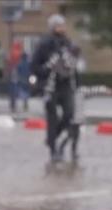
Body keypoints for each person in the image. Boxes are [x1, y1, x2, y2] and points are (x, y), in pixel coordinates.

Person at [31, 14, 80, 162]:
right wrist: (48, 70)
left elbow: (73, 63)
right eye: (58, 26)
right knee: (52, 118)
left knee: (69, 114)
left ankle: (53, 137)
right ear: (53, 27)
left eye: (63, 25)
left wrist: (76, 81)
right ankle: (53, 150)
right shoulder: (44, 44)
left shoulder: (68, 43)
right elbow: (34, 66)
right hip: (49, 86)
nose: (62, 28)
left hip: (65, 85)